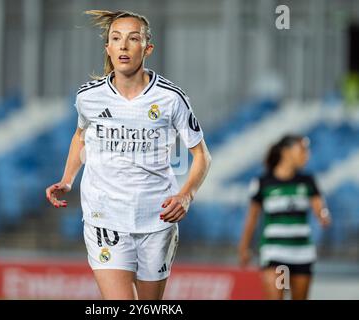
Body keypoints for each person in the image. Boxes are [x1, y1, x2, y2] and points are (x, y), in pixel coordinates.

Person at [46, 10, 211, 300]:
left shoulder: (171, 98)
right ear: (107, 48)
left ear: (147, 48)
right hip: (104, 216)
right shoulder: (88, 97)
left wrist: (186, 195)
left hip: (156, 217)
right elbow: (80, 136)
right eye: (116, 38)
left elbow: (202, 156)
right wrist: (67, 179)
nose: (123, 45)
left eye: (133, 39)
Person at [238, 134, 331, 300]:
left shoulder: (307, 181)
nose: (306, 154)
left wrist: (324, 215)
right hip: (275, 252)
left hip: (302, 252)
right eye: (302, 149)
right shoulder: (263, 182)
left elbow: (320, 207)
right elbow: (252, 218)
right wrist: (244, 247)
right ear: (286, 152)